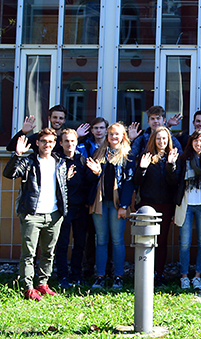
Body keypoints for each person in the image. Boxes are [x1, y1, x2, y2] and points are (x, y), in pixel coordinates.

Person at [3, 129, 68, 300]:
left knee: (49, 252)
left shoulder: (60, 162)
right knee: (29, 253)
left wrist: (63, 210)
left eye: (51, 142)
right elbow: (9, 174)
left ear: (55, 144)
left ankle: (43, 284)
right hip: (32, 213)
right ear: (37, 143)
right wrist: (17, 154)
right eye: (44, 141)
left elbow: (62, 188)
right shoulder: (29, 162)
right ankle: (28, 287)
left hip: (54, 215)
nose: (47, 144)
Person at [87, 123, 135, 290]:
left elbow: (129, 183)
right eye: (111, 134)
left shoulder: (128, 155)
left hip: (117, 205)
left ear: (123, 136)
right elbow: (90, 178)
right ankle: (100, 276)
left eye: (117, 134)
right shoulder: (99, 152)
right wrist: (94, 173)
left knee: (117, 241)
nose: (113, 137)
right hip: (100, 204)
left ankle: (118, 277)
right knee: (101, 240)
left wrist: (124, 205)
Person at [134, 125, 179, 285]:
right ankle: (146, 273)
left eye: (164, 139)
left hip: (166, 205)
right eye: (158, 138)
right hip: (147, 204)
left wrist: (170, 165)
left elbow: (174, 182)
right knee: (147, 240)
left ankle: (158, 274)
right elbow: (137, 181)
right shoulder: (146, 156)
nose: (161, 141)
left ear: (169, 141)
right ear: (154, 140)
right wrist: (142, 168)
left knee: (161, 240)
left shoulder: (172, 156)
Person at [55, 128, 94, 288]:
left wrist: (96, 173)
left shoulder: (82, 159)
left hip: (81, 207)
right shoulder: (57, 160)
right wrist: (64, 178)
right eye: (66, 141)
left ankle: (76, 275)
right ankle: (63, 276)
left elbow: (89, 182)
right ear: (61, 143)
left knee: (79, 243)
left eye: (73, 141)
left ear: (77, 142)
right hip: (64, 208)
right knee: (63, 243)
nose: (70, 144)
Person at [174, 129, 201, 291]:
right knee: (185, 243)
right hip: (186, 204)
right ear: (191, 142)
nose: (198, 144)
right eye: (195, 140)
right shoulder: (184, 159)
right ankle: (184, 276)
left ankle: (197, 276)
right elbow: (174, 180)